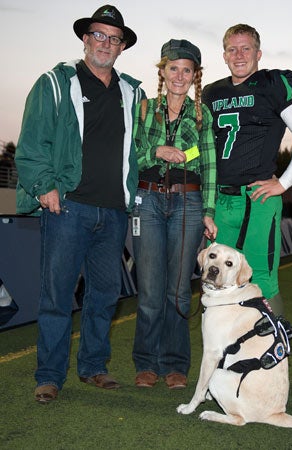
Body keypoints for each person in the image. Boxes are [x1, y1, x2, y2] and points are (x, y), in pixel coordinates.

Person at [14, 5, 145, 403]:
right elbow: (32, 142)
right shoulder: (55, 82)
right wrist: (43, 186)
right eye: (98, 35)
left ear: (122, 47)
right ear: (85, 39)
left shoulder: (132, 92)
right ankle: (49, 375)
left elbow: (139, 147)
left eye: (114, 38)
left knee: (104, 295)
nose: (105, 43)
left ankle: (93, 367)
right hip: (68, 208)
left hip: (114, 212)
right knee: (57, 296)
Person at [202, 24, 292, 316]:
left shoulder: (272, 83)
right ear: (224, 54)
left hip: (258, 198)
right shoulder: (211, 92)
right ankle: (226, 352)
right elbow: (205, 145)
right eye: (232, 49)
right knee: (215, 279)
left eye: (246, 48)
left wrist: (284, 183)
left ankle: (274, 348)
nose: (239, 55)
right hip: (220, 200)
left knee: (262, 278)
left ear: (258, 53)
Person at [132, 39, 217, 389]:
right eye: (173, 68)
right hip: (148, 201)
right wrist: (157, 151)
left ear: (195, 76)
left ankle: (176, 364)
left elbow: (210, 165)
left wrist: (209, 212)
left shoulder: (202, 114)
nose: (179, 76)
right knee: (150, 289)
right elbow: (132, 156)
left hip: (189, 204)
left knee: (180, 291)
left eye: (187, 70)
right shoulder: (144, 109)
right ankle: (147, 363)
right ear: (162, 71)